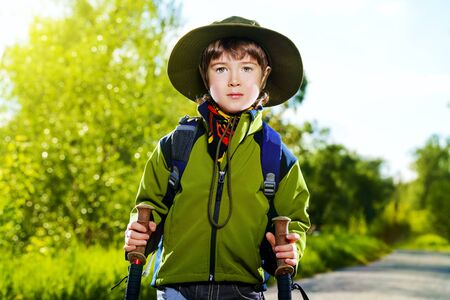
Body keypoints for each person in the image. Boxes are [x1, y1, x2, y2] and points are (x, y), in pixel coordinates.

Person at [124, 16, 310, 299]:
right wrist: (138, 233)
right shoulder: (177, 145)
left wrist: (292, 248)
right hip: (177, 289)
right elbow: (148, 205)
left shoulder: (275, 154)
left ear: (264, 76)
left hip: (243, 289)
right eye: (221, 69)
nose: (234, 80)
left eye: (247, 68)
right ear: (205, 76)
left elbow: (295, 218)